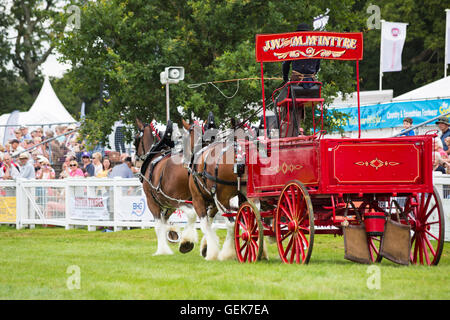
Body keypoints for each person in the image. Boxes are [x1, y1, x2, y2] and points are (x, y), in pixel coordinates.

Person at [282, 22, 321, 89]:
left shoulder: (293, 47)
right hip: (311, 82)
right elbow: (317, 67)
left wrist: (285, 78)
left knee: (284, 93)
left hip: (296, 82)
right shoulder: (315, 49)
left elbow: (285, 64)